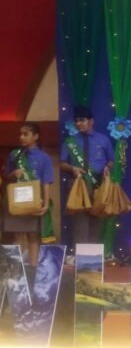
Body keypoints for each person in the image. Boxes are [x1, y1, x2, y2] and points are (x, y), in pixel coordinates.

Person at [60, 106, 114, 254]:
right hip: (78, 184)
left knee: (97, 223)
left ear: (91, 121)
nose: (79, 124)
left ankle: (93, 261)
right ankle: (81, 261)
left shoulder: (103, 139)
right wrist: (72, 168)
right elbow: (62, 163)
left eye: (82, 120)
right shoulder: (70, 141)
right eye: (76, 121)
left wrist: (107, 167)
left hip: (98, 184)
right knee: (80, 225)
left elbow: (111, 160)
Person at [3, 123, 53, 266]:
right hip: (16, 200)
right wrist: (13, 173)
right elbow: (6, 176)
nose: (22, 137)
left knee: (33, 236)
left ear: (35, 136)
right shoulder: (14, 154)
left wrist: (45, 205)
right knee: (17, 235)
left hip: (34, 201)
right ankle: (18, 271)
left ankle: (33, 268)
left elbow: (46, 182)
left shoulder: (44, 157)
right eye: (21, 134)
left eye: (26, 134)